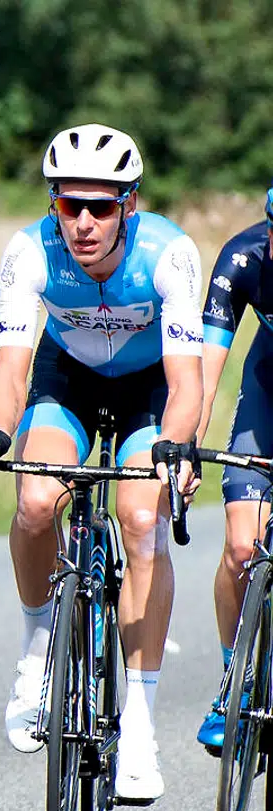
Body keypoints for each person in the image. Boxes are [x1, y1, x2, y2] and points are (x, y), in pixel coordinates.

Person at [0, 124, 202, 802]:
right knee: (36, 503)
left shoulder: (168, 253)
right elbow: (10, 366)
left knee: (140, 515)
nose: (84, 223)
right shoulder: (30, 250)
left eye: (101, 206)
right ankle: (37, 652)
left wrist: (174, 450)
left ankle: (142, 724)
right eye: (70, 206)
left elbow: (188, 383)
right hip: (67, 380)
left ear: (129, 204)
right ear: (53, 204)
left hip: (150, 386)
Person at [192, 184, 273, 751]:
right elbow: (204, 371)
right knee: (242, 547)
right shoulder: (242, 258)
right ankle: (235, 681)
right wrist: (185, 449)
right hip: (268, 392)